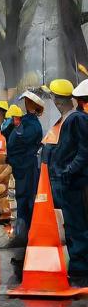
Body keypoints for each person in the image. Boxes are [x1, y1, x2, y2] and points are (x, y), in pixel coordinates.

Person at [0, 92, 44, 249]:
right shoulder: (24, 120)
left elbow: (22, 138)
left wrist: (17, 127)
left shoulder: (34, 125)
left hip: (28, 167)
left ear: (33, 105)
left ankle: (26, 236)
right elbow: (6, 133)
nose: (25, 104)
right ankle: (22, 234)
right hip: (20, 167)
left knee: (26, 200)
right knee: (21, 198)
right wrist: (12, 123)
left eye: (27, 101)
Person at [54, 80, 88, 285]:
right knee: (75, 223)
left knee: (76, 224)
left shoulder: (77, 119)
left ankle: (80, 269)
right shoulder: (78, 119)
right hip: (73, 180)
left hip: (73, 182)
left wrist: (68, 170)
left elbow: (84, 151)